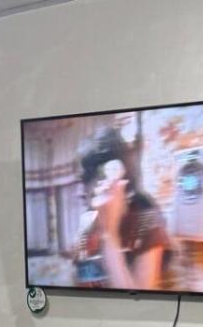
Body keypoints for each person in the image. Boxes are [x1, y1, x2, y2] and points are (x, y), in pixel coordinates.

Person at [74, 119, 172, 291]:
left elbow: (137, 303)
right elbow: (84, 286)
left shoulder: (145, 217)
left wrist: (109, 234)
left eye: (87, 180)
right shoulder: (88, 220)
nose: (79, 192)